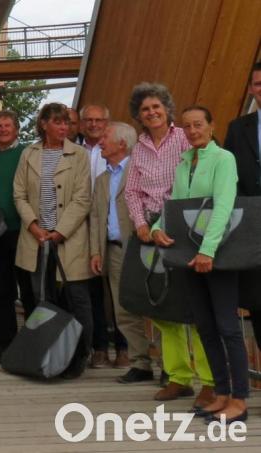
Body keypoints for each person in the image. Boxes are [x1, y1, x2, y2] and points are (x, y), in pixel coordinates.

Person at [151, 106, 246, 424]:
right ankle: (220, 392)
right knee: (204, 326)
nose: (193, 131)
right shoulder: (184, 164)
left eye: (199, 125)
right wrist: (156, 228)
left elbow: (224, 207)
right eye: (187, 126)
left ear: (211, 125)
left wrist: (208, 251)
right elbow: (176, 207)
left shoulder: (223, 159)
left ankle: (239, 398)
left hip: (216, 256)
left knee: (228, 328)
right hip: (188, 257)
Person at [124, 82, 214, 404]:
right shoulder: (139, 148)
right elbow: (132, 191)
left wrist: (165, 222)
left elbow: (193, 184)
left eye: (156, 107)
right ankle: (177, 376)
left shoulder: (183, 138)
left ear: (166, 109)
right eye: (145, 109)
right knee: (160, 307)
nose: (151, 112)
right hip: (148, 231)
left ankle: (210, 380)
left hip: (183, 228)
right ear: (139, 115)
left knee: (194, 306)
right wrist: (140, 223)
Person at [13, 103, 92, 379]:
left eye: (66, 123)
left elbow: (83, 199)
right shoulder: (28, 154)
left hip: (67, 240)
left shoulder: (79, 155)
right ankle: (42, 356)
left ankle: (77, 357)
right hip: (35, 240)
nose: (63, 127)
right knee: (39, 299)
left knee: (75, 298)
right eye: (57, 122)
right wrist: (34, 226)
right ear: (44, 124)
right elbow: (19, 195)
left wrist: (60, 231)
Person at [89, 122, 156, 384]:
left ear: (121, 144)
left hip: (143, 249)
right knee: (123, 309)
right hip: (114, 251)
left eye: (105, 137)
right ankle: (141, 363)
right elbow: (96, 218)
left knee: (156, 306)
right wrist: (96, 251)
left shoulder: (139, 170)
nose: (100, 140)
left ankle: (174, 369)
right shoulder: (102, 179)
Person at [0, 110, 32, 365]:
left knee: (29, 288)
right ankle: (5, 342)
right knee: (2, 291)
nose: (2, 129)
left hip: (25, 230)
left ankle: (34, 343)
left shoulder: (26, 154)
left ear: (17, 128)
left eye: (7, 125)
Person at [79, 104, 125, 369]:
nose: (94, 124)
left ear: (107, 123)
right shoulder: (74, 150)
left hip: (115, 224)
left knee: (119, 292)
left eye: (99, 120)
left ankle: (122, 346)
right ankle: (98, 347)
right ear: (82, 123)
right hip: (85, 225)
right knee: (93, 289)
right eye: (89, 120)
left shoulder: (119, 152)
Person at [224, 62, 261, 350]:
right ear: (251, 89)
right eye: (258, 84)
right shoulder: (237, 129)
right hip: (252, 227)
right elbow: (230, 179)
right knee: (258, 301)